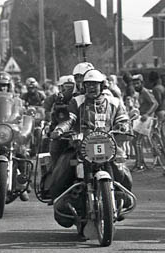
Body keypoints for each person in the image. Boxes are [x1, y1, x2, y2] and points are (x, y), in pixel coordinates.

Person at [49, 69, 133, 231]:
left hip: (109, 147)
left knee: (122, 171)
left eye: (95, 85)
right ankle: (60, 201)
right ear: (83, 86)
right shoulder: (77, 101)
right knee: (62, 169)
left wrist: (123, 127)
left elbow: (123, 119)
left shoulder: (114, 102)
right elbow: (70, 120)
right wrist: (60, 129)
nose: (91, 88)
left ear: (102, 85)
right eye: (88, 85)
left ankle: (122, 197)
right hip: (81, 147)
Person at [132, 73, 157, 170]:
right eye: (134, 84)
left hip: (147, 118)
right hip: (141, 118)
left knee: (137, 141)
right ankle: (139, 161)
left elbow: (155, 104)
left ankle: (140, 165)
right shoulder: (140, 93)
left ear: (142, 83)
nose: (135, 86)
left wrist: (147, 114)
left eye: (137, 83)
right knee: (135, 141)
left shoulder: (145, 92)